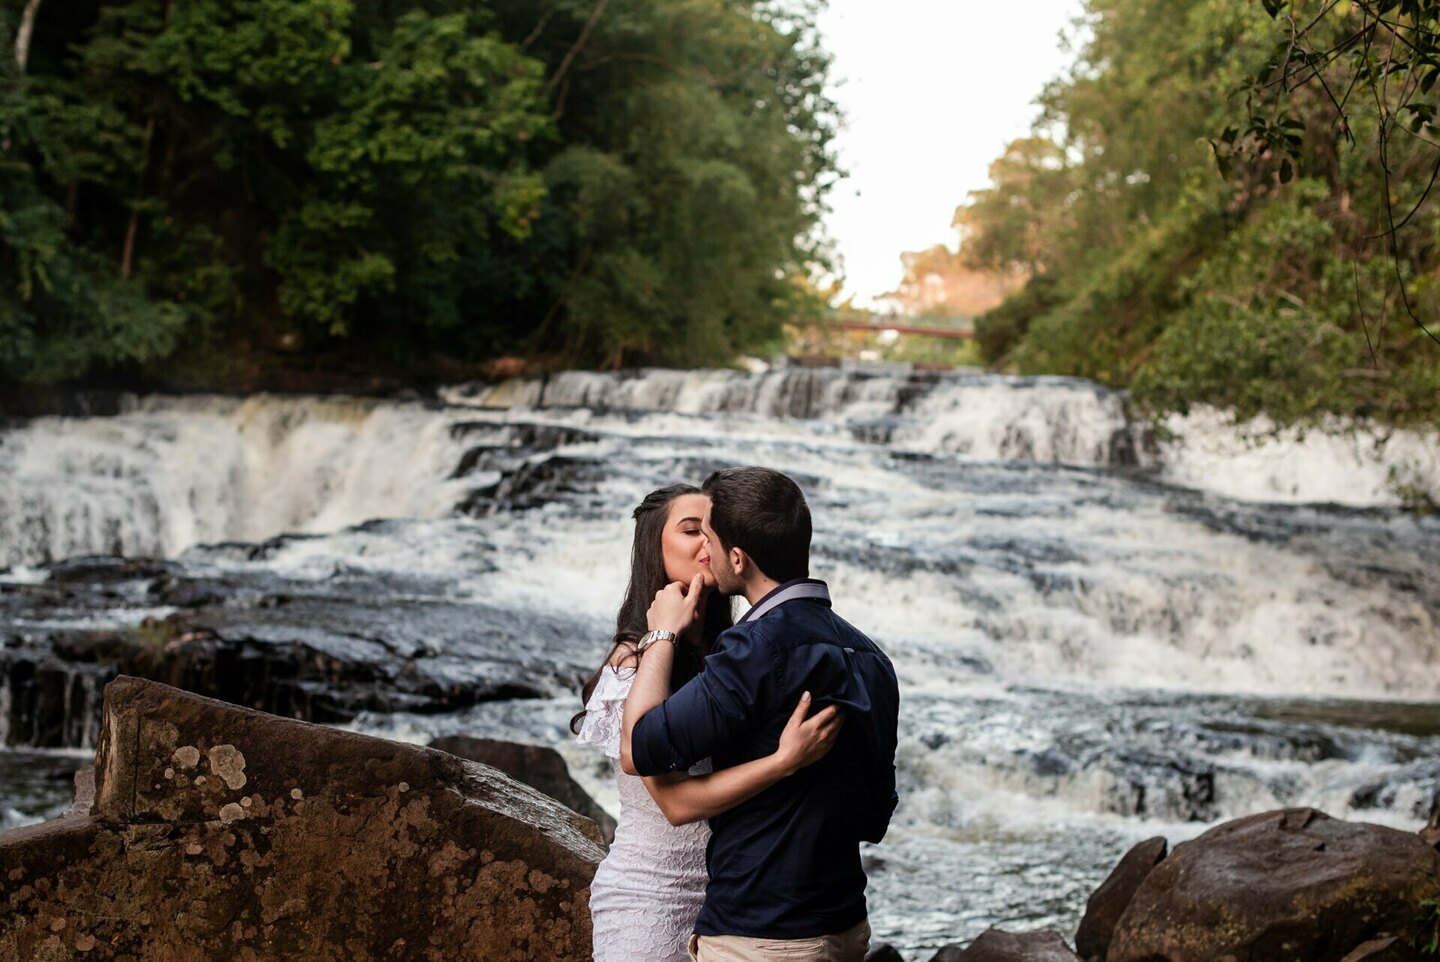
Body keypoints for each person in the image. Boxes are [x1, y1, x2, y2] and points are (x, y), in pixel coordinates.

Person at [621, 467, 900, 962]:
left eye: (707, 536)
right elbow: (875, 816)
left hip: (764, 933)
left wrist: (661, 633)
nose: (703, 549)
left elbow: (642, 746)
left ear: (737, 557)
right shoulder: (872, 657)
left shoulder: (754, 648)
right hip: (847, 927)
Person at [574, 483, 844, 962]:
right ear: (654, 550)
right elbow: (676, 803)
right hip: (652, 899)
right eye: (691, 530)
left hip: (735, 898)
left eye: (714, 530)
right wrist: (784, 761)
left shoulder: (741, 652)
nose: (708, 542)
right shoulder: (633, 663)